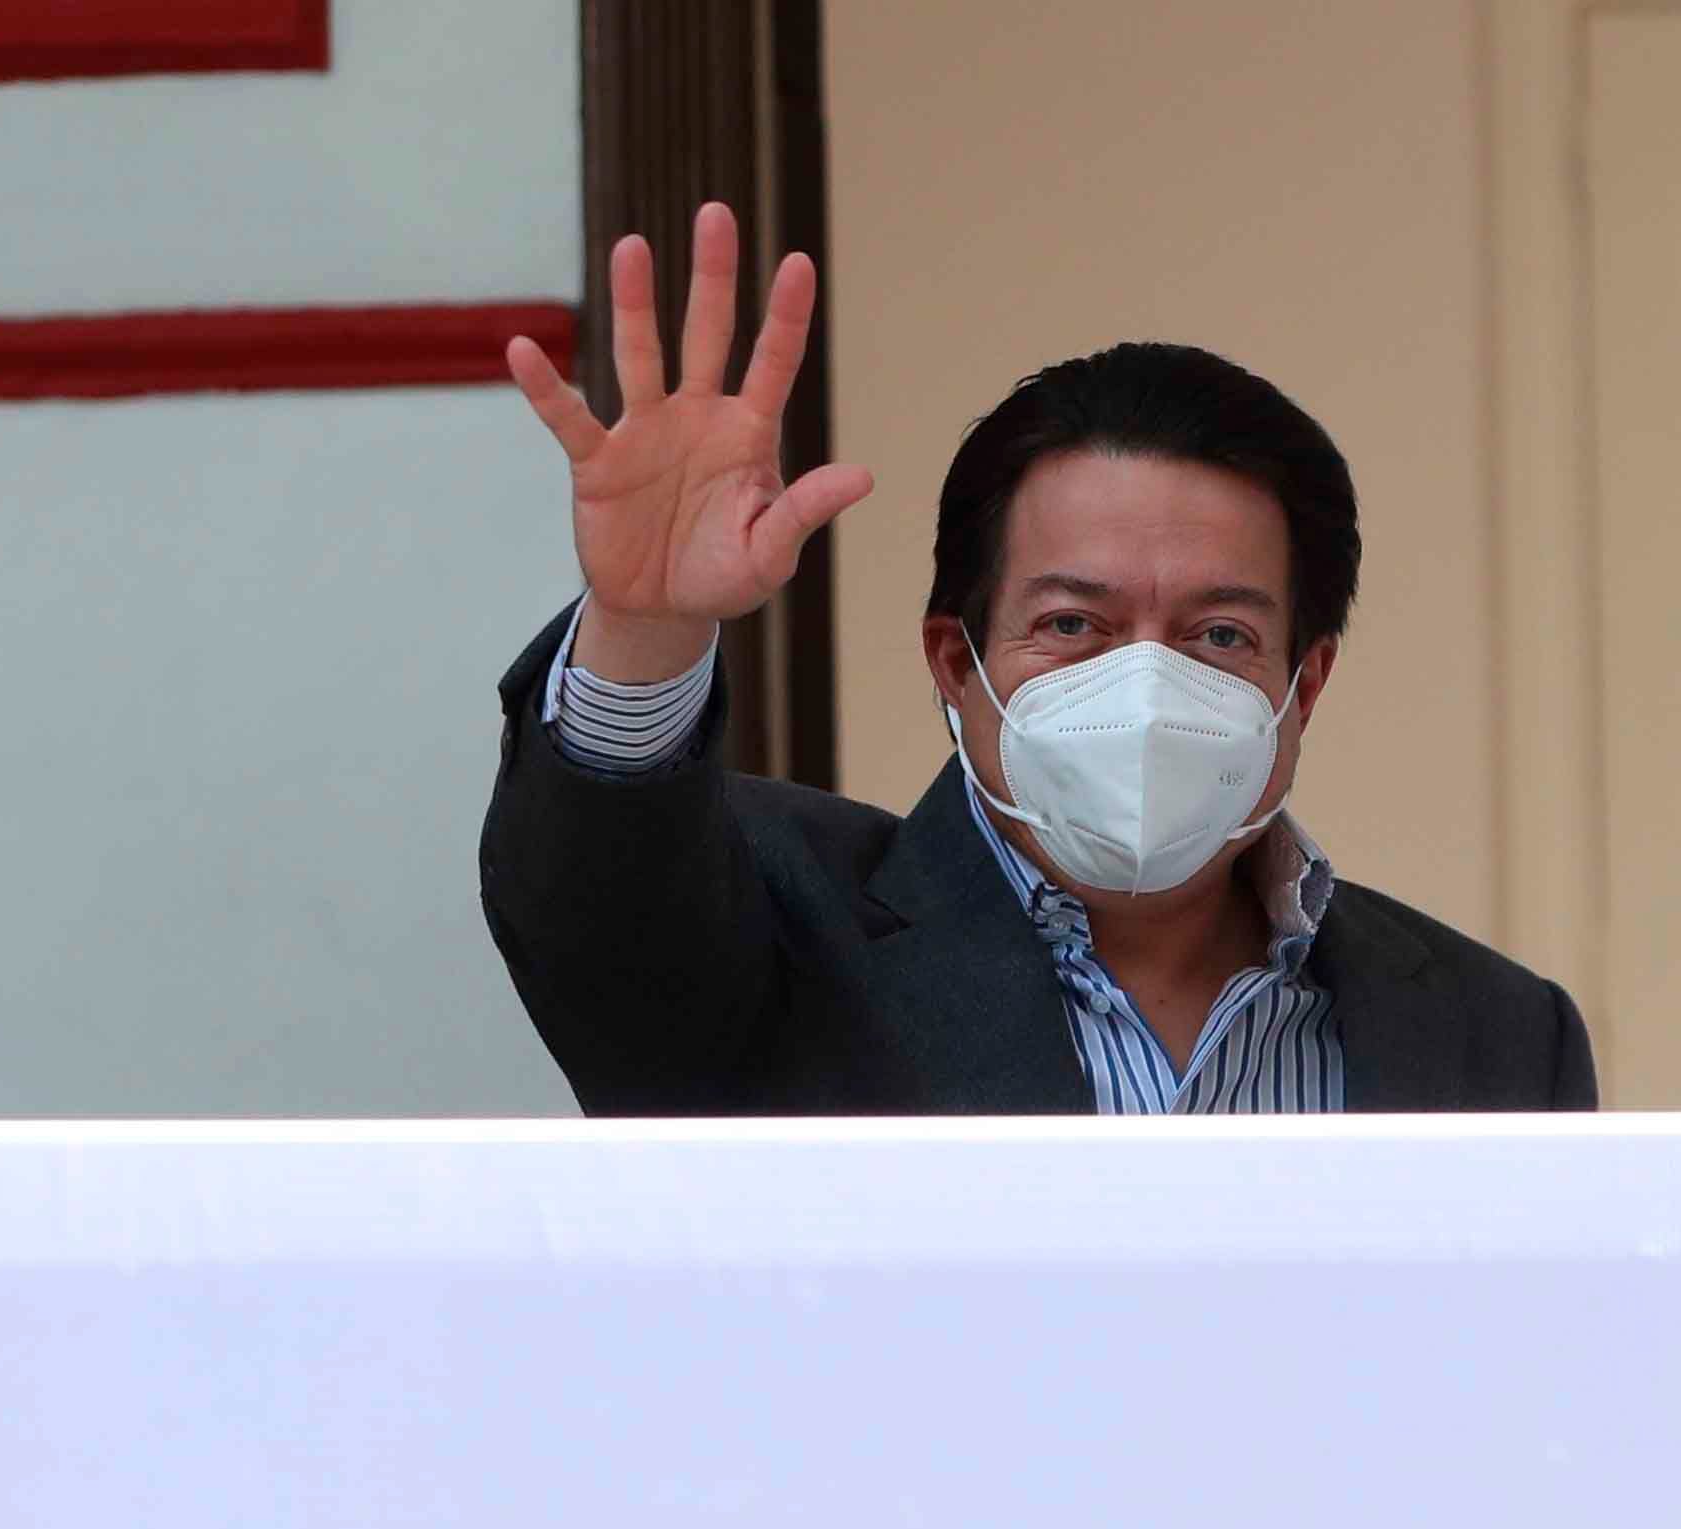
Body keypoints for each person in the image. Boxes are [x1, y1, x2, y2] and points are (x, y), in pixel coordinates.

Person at [482, 206, 1595, 1117]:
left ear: (1302, 686)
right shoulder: (778, 935)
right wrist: (646, 627)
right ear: (955, 666)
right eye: (1071, 626)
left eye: (1219, 637)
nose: (1147, 685)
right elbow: (599, 917)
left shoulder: (1495, 1033)